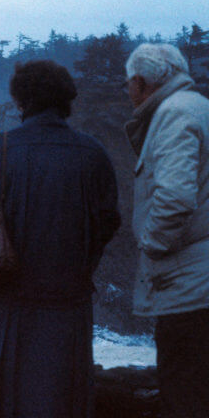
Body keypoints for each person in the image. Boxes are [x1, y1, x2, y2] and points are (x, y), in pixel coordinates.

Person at [0, 60, 120, 418]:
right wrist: (78, 265)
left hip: (2, 304)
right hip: (66, 304)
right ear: (66, 100)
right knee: (63, 401)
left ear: (20, 101)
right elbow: (108, 223)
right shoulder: (93, 154)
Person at [124, 43, 209, 418]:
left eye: (129, 83)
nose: (127, 92)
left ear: (141, 82)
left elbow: (174, 196)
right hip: (199, 277)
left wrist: (152, 245)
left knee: (184, 389)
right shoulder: (197, 107)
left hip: (190, 284)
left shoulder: (174, 114)